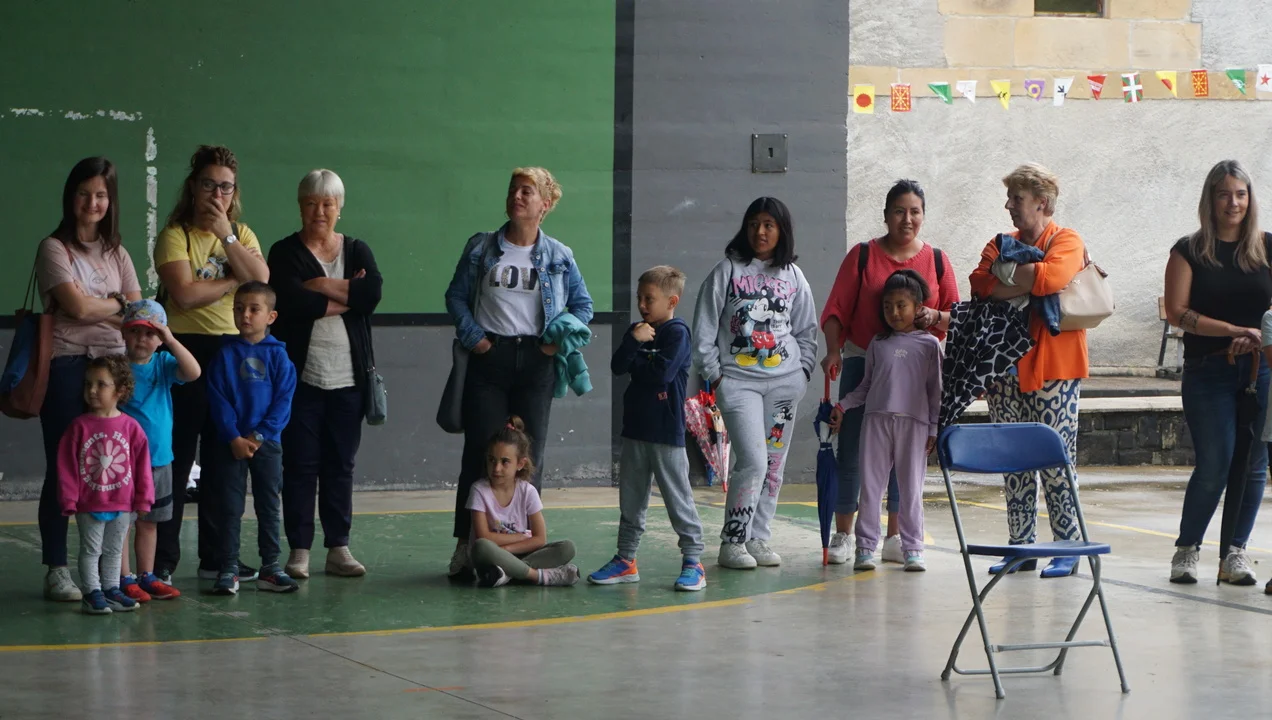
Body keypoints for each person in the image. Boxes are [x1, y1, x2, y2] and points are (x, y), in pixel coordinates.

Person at [444, 167, 593, 578]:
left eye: (527, 191)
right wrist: (476, 339)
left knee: (529, 458)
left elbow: (583, 306)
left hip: (536, 362)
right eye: (513, 190)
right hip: (489, 358)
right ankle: (466, 547)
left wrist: (552, 345)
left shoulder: (559, 255)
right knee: (482, 453)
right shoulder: (481, 247)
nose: (517, 196)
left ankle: (522, 551)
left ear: (545, 203)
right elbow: (456, 296)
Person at [820, 179, 958, 566]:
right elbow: (836, 308)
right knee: (852, 454)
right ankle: (846, 535)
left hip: (915, 372)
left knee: (906, 463)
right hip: (866, 361)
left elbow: (957, 316)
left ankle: (896, 538)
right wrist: (833, 350)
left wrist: (935, 316)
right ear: (885, 215)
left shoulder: (937, 260)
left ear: (923, 215)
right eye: (899, 211)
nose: (907, 219)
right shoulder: (863, 255)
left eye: (915, 211)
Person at [153, 145, 270, 585]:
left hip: (231, 354)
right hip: (184, 353)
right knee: (177, 455)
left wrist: (227, 237)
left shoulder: (242, 233)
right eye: (209, 185)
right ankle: (162, 561)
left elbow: (261, 282)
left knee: (224, 461)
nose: (217, 195)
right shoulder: (175, 234)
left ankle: (218, 558)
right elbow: (184, 295)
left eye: (225, 187)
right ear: (193, 187)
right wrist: (233, 280)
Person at [969, 163, 1089, 578]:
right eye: (1009, 198)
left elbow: (1053, 278)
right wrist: (1028, 279)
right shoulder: (999, 242)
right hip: (1005, 370)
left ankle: (1068, 547)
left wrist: (1007, 276)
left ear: (1042, 203)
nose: (1009, 205)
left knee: (1057, 460)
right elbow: (979, 283)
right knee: (1013, 461)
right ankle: (1021, 547)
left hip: (1055, 368)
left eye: (1016, 198)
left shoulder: (1067, 240)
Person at [35, 157, 142, 602]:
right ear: (71, 197)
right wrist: (115, 303)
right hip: (68, 366)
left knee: (113, 469)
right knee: (65, 467)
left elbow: (138, 314)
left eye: (101, 195)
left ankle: (107, 573)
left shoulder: (118, 252)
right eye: (84, 193)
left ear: (110, 201)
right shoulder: (54, 248)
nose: (92, 202)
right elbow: (75, 309)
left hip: (113, 368)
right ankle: (58, 569)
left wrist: (109, 306)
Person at [691, 197, 818, 569]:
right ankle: (733, 541)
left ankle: (758, 537)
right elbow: (704, 330)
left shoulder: (794, 276)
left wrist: (802, 373)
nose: (760, 232)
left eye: (768, 225)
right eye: (753, 224)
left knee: (774, 465)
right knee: (752, 461)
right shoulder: (727, 270)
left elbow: (807, 330)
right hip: (739, 384)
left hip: (784, 386)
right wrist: (717, 376)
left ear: (782, 231)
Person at [268, 169, 383, 579]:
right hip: (301, 380)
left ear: (339, 208)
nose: (320, 211)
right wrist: (345, 293)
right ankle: (299, 550)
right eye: (311, 203)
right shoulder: (284, 252)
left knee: (341, 465)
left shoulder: (357, 249)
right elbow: (291, 302)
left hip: (350, 379)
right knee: (300, 465)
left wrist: (316, 284)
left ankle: (339, 547)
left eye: (328, 204)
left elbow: (372, 295)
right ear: (300, 207)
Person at [1165, 160, 1270, 586]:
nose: (1233, 203)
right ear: (1210, 199)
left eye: (1241, 194)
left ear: (1250, 199)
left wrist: (1257, 338)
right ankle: (1187, 549)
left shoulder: (1267, 247)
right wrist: (1232, 331)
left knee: (1255, 465)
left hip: (1261, 369)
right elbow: (1178, 313)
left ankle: (1234, 554)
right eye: (1224, 194)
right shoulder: (1189, 250)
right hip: (1208, 370)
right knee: (1215, 462)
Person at [588, 266, 706, 591]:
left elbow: (660, 375)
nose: (641, 305)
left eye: (649, 299)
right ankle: (625, 560)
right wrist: (633, 342)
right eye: (639, 298)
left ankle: (694, 562)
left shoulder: (677, 334)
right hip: (635, 430)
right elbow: (617, 366)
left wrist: (637, 359)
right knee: (631, 501)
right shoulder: (637, 331)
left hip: (666, 433)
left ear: (672, 301)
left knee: (678, 500)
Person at [829, 270, 941, 572]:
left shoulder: (930, 345)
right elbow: (866, 386)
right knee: (871, 487)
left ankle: (913, 549)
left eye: (901, 305)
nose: (894, 312)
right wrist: (843, 405)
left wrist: (933, 428)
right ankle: (865, 548)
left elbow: (935, 391)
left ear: (918, 308)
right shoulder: (878, 344)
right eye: (888, 306)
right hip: (876, 423)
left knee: (911, 490)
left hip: (914, 426)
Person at [204, 282, 298, 595]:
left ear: (271, 316)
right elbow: (218, 400)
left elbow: (283, 403)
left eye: (254, 309)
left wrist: (258, 436)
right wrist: (234, 436)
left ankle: (270, 567)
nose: (245, 315)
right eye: (239, 308)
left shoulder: (280, 357)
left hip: (266, 444)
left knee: (268, 505)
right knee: (230, 506)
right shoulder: (224, 355)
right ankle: (228, 567)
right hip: (230, 445)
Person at [116, 301, 200, 601]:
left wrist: (171, 340)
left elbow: (193, 372)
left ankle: (147, 575)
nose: (142, 339)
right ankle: (123, 577)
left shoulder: (164, 363)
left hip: (159, 460)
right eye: (135, 331)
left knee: (149, 522)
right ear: (124, 333)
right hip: (124, 462)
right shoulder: (116, 367)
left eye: (151, 334)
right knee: (122, 524)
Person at [57, 355, 154, 614]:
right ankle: (92, 592)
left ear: (120, 390)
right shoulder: (78, 427)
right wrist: (69, 498)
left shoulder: (131, 427)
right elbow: (66, 466)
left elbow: (142, 467)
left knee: (114, 550)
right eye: (88, 383)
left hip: (122, 504)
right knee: (91, 550)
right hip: (89, 503)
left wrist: (143, 499)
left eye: (101, 384)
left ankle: (111, 589)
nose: (92, 390)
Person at [467, 417, 580, 587]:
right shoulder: (479, 490)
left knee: (567, 548)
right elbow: (484, 537)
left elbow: (540, 539)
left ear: (520, 464)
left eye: (505, 461)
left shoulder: (528, 491)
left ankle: (506, 574)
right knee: (481, 546)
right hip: (491, 556)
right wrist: (520, 537)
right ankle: (539, 576)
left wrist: (506, 551)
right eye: (492, 460)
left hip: (518, 553)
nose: (496, 468)